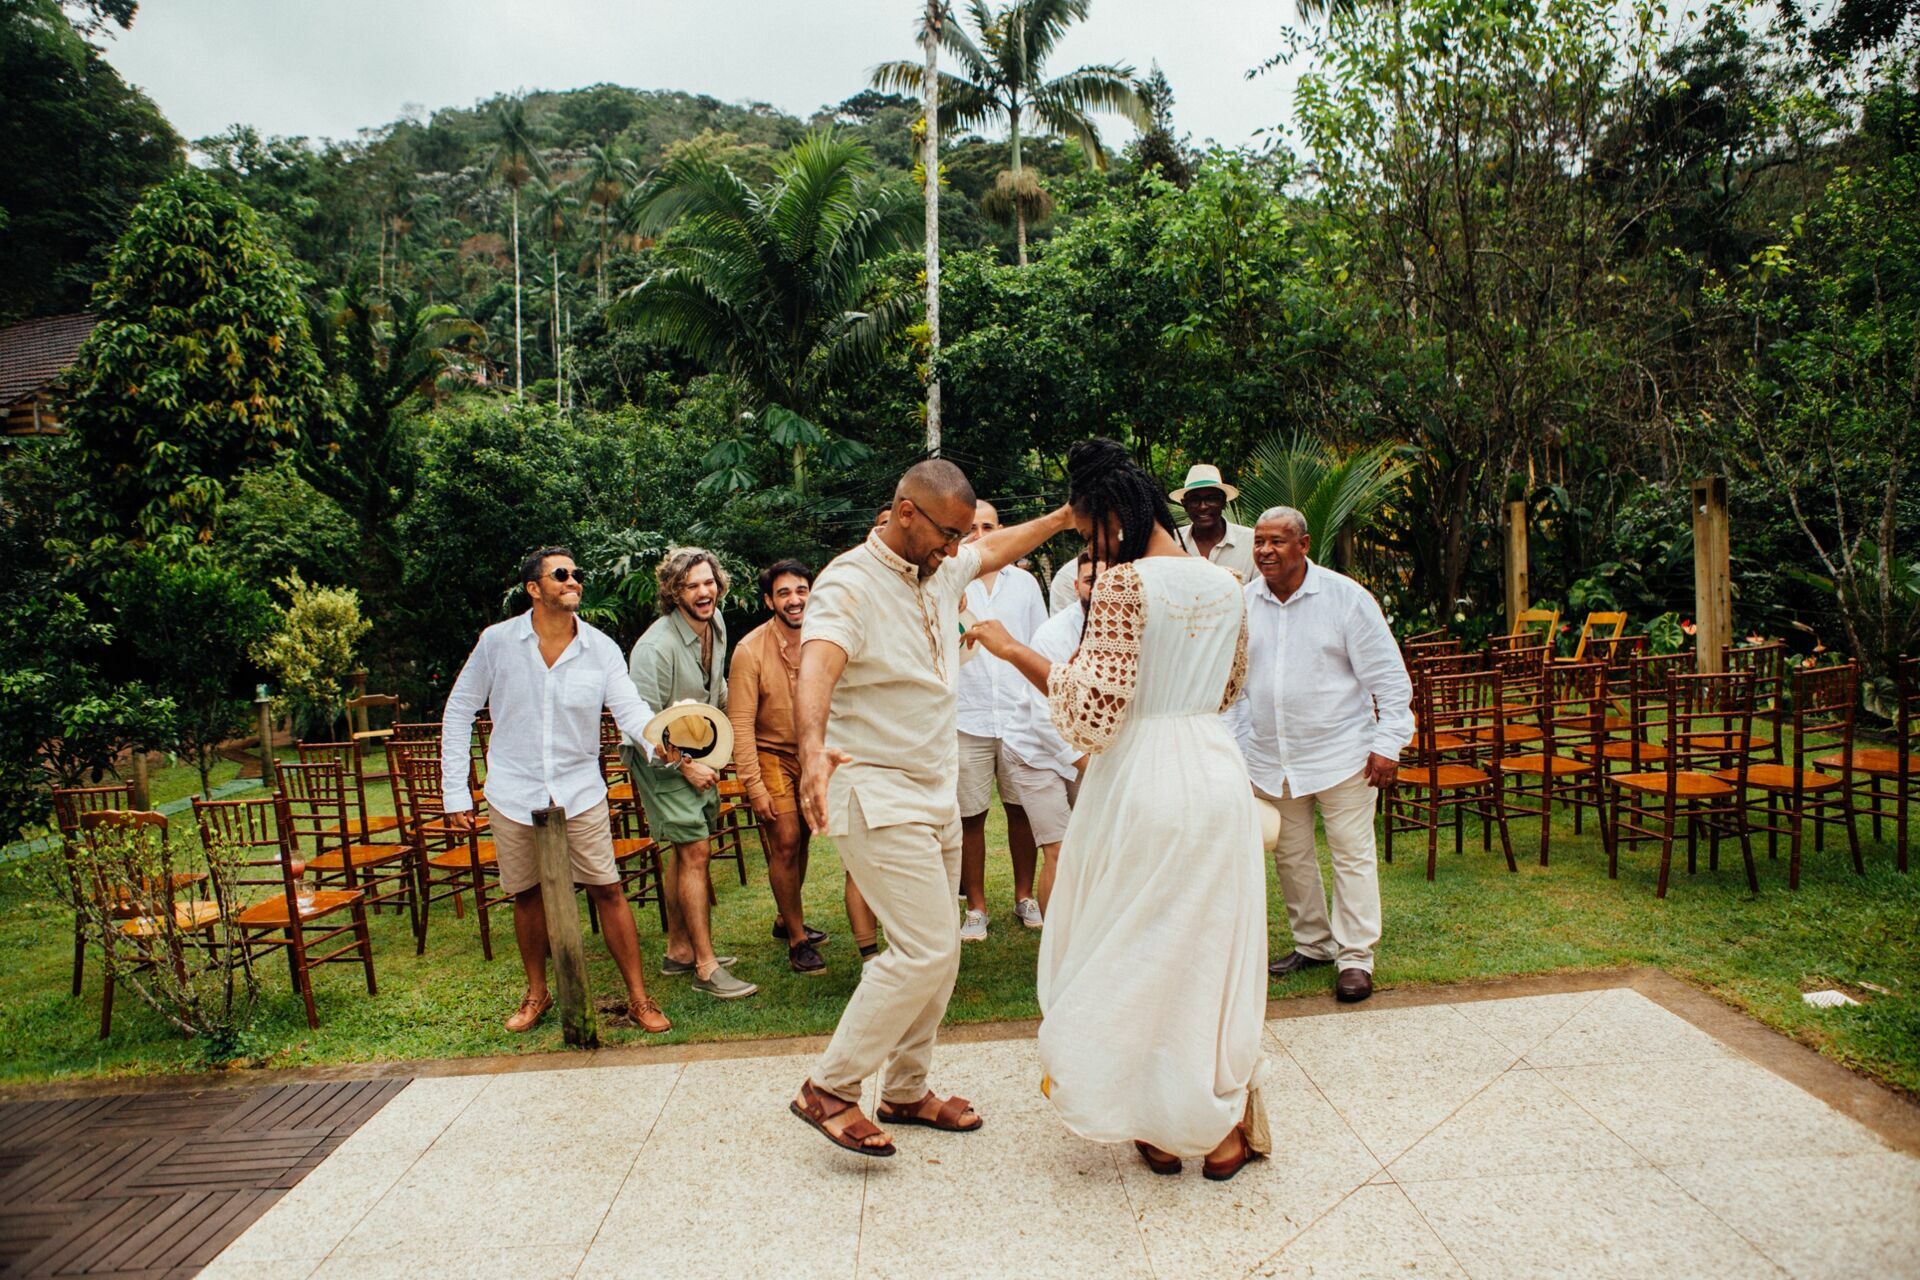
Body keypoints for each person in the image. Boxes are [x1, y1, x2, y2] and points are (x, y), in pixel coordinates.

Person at [966, 438, 1269, 1181]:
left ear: (1112, 515)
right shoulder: (1227, 584)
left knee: (1137, 947)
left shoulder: (1126, 586)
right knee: (1210, 950)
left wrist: (1010, 650)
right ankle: (1218, 1124)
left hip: (1145, 780)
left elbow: (1091, 714)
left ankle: (1163, 1124)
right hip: (1214, 770)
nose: (1089, 547)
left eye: (1089, 530)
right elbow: (1229, 689)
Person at [789, 458, 1073, 1158]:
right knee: (925, 947)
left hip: (934, 787)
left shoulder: (939, 569)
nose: (955, 548)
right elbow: (818, 661)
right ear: (905, 512)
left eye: (958, 538)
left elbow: (993, 548)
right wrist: (811, 746)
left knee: (936, 955)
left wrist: (1067, 517)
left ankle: (908, 1089)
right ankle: (829, 1087)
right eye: (946, 533)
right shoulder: (848, 582)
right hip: (875, 788)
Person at [441, 547, 672, 1035]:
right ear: (533, 588)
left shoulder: (601, 648)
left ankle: (638, 997)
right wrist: (455, 793)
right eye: (560, 574)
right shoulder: (497, 642)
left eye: (576, 574)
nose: (573, 581)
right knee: (526, 895)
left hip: (580, 787)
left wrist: (660, 742)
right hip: (512, 788)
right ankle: (537, 993)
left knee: (607, 888)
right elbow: (460, 710)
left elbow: (629, 709)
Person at [1229, 507, 1413, 1004]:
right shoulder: (1243, 604)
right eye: (1259, 541)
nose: (1265, 550)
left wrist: (1387, 744)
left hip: (1343, 754)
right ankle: (1312, 943)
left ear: (1304, 544)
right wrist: (1237, 751)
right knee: (1291, 856)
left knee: (1352, 856)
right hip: (1271, 758)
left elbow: (1390, 681)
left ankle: (1355, 957)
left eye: (1277, 542)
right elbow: (1233, 688)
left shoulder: (1345, 599)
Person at [727, 558, 882, 974]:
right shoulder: (749, 650)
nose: (794, 600)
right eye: (783, 593)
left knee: (807, 837)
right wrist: (754, 785)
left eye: (800, 590)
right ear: (768, 601)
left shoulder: (827, 637)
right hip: (771, 753)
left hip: (818, 752)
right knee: (787, 838)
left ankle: (785, 918)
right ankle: (797, 940)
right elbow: (740, 723)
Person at [622, 547, 756, 1001]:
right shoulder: (654, 648)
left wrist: (727, 743)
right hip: (659, 758)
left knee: (685, 852)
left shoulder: (715, 625)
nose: (704, 592)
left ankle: (678, 950)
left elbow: (713, 690)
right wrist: (685, 766)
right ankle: (705, 965)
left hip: (698, 747)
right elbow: (640, 726)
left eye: (709, 582)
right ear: (673, 591)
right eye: (692, 585)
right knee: (696, 851)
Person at [954, 499, 1049, 941]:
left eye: (986, 526)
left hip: (1017, 716)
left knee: (1022, 810)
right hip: (966, 715)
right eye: (969, 527)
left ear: (1000, 529)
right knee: (970, 816)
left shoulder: (1025, 584)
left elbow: (1039, 645)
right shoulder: (947, 580)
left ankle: (1024, 895)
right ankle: (975, 906)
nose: (978, 534)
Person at [997, 552, 1094, 916]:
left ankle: (1086, 929)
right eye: (1089, 580)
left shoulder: (1127, 627)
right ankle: (1057, 948)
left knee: (1092, 844)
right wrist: (1095, 768)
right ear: (1076, 586)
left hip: (1085, 749)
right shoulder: (1053, 635)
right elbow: (1045, 720)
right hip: (1034, 753)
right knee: (1059, 848)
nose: (1098, 587)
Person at [1170, 463, 1255, 584]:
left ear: (1223, 502)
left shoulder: (1251, 541)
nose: (1203, 506)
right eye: (1194, 500)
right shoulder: (1172, 541)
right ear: (1185, 504)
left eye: (1211, 499)